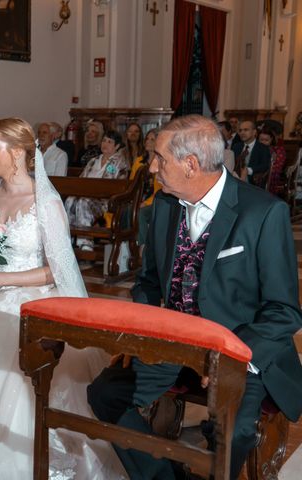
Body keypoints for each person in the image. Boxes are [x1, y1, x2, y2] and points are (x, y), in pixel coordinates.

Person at [87, 115, 302, 480]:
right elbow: (148, 283)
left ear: (190, 164)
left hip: (240, 351)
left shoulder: (263, 213)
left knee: (234, 433)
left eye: (159, 158)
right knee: (104, 395)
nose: (152, 166)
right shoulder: (163, 207)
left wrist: (233, 356)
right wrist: (138, 334)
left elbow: (284, 311)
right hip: (173, 344)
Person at [0, 118, 125, 479]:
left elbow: (57, 270)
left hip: (30, 295)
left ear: (18, 153)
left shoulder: (45, 202)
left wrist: (0, 278)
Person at [64, 129, 129, 250]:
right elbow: (81, 179)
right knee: (70, 200)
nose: (105, 144)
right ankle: (69, 240)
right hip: (86, 195)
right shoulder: (93, 161)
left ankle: (85, 242)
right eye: (104, 140)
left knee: (83, 202)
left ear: (117, 146)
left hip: (105, 201)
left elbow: (116, 185)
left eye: (110, 142)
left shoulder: (119, 162)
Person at [129, 128, 161, 246]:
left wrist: (146, 203)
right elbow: (132, 184)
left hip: (155, 201)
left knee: (140, 213)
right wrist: (136, 201)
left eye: (152, 139)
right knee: (126, 211)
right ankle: (130, 244)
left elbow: (161, 190)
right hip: (137, 199)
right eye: (147, 139)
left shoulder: (161, 162)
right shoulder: (138, 161)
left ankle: (143, 247)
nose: (148, 141)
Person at [231, 120, 271, 186]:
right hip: (234, 182)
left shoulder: (263, 148)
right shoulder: (236, 146)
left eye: (246, 130)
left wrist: (249, 170)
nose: (242, 133)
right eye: (240, 130)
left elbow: (265, 165)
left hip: (253, 184)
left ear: (254, 132)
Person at [258, 127, 286, 195]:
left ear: (271, 139)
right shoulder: (256, 149)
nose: (263, 142)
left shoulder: (278, 150)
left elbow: (278, 166)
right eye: (261, 140)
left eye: (266, 140)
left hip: (271, 174)